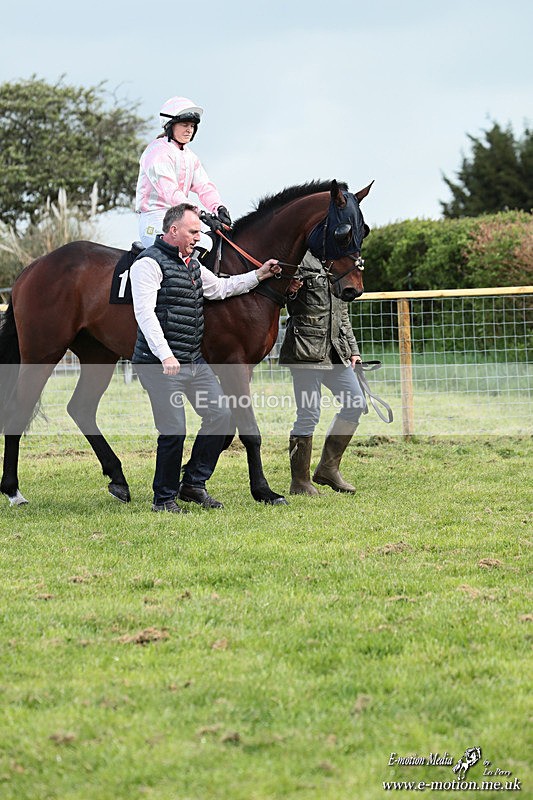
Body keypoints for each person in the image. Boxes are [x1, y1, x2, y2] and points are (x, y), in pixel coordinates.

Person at [131, 203, 279, 513]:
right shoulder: (147, 264)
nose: (199, 237)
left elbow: (223, 288)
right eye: (193, 231)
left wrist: (259, 274)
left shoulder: (193, 265)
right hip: (160, 364)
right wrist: (166, 355)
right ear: (173, 231)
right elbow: (144, 313)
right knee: (174, 429)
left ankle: (194, 484)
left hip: (192, 361)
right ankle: (164, 499)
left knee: (221, 416)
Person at [279, 251, 366, 495]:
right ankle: (300, 482)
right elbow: (284, 294)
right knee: (308, 413)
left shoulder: (340, 260)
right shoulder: (299, 257)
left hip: (335, 350)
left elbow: (342, 315)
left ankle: (328, 469)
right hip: (305, 349)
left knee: (356, 403)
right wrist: (291, 288)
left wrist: (353, 351)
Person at [135, 96, 231, 261]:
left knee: (207, 243)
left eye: (192, 126)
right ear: (170, 126)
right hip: (154, 219)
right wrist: (199, 214)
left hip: (178, 219)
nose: (189, 130)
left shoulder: (190, 157)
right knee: (196, 243)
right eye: (184, 125)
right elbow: (171, 192)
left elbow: (204, 186)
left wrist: (218, 207)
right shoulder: (156, 152)